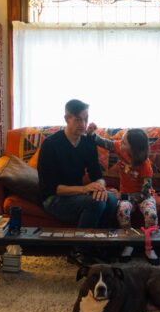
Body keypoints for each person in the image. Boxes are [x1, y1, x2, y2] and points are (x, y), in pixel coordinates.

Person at [37, 99, 118, 265]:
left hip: (77, 196)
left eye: (86, 119)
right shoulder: (50, 145)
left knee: (110, 199)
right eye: (78, 119)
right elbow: (51, 188)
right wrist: (85, 189)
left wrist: (100, 187)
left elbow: (98, 175)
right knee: (96, 203)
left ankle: (98, 246)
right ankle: (78, 250)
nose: (83, 124)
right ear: (67, 119)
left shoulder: (87, 143)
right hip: (54, 199)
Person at [86, 124, 160, 266]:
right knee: (122, 210)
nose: (121, 142)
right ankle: (129, 242)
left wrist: (123, 196)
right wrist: (92, 134)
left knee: (151, 214)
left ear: (134, 149)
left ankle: (150, 246)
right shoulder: (120, 148)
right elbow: (105, 143)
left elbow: (145, 193)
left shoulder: (145, 165)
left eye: (125, 142)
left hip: (144, 196)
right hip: (126, 195)